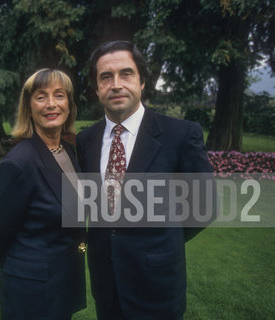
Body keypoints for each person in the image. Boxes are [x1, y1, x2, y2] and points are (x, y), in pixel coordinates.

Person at [76, 40, 213, 320]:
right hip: (106, 284)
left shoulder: (180, 135)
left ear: (142, 82)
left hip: (158, 286)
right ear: (96, 88)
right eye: (106, 76)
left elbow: (204, 207)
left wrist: (164, 238)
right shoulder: (85, 140)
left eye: (126, 74)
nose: (116, 84)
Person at [0, 68, 86, 320]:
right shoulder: (18, 163)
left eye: (59, 95)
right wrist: (22, 265)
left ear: (69, 105)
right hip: (31, 292)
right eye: (41, 96)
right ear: (28, 107)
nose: (51, 104)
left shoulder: (69, 152)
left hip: (63, 283)